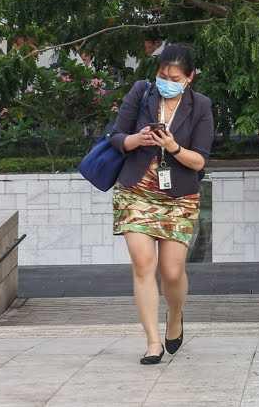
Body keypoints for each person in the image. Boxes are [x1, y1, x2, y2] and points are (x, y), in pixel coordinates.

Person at [109, 43, 214, 365]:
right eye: (162, 74)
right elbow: (115, 136)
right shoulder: (142, 92)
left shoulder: (201, 107)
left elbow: (199, 161)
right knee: (143, 265)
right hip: (135, 191)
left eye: (174, 76)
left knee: (171, 271)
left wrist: (174, 146)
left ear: (190, 77)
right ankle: (152, 342)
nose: (166, 80)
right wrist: (135, 140)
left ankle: (176, 315)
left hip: (179, 196)